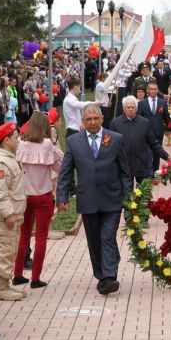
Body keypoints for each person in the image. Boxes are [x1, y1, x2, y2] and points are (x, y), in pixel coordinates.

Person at [56, 104, 131, 295]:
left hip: (112, 198)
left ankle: (109, 277)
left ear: (102, 119)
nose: (92, 122)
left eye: (95, 118)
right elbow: (66, 171)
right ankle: (101, 275)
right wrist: (62, 195)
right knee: (94, 241)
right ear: (83, 122)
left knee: (107, 236)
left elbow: (125, 171)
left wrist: (128, 194)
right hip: (88, 199)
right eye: (88, 119)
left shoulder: (115, 139)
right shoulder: (73, 142)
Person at [15, 112, 64, 289]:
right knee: (41, 238)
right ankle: (35, 278)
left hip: (25, 195)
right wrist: (58, 153)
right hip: (43, 194)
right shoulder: (47, 144)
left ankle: (17, 274)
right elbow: (59, 167)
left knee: (23, 236)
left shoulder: (20, 143)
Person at [0, 123, 26, 301]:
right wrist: (8, 213)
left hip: (14, 214)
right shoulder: (2, 162)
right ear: (6, 140)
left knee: (11, 251)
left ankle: (6, 284)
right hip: (6, 217)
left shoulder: (9, 158)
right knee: (5, 250)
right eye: (15, 137)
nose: (18, 140)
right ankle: (0, 287)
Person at [110, 96, 170, 183]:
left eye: (133, 107)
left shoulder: (145, 122)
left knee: (144, 194)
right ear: (124, 108)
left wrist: (167, 157)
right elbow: (110, 145)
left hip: (142, 165)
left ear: (136, 108)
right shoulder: (115, 123)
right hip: (124, 166)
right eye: (128, 107)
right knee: (126, 195)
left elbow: (154, 143)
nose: (130, 109)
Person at [137, 82, 171, 175]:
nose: (153, 91)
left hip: (158, 132)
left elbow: (167, 118)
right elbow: (139, 118)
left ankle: (155, 171)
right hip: (145, 132)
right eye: (151, 89)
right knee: (147, 153)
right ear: (148, 91)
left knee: (157, 153)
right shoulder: (141, 103)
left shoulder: (162, 102)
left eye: (155, 89)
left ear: (157, 90)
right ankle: (148, 172)